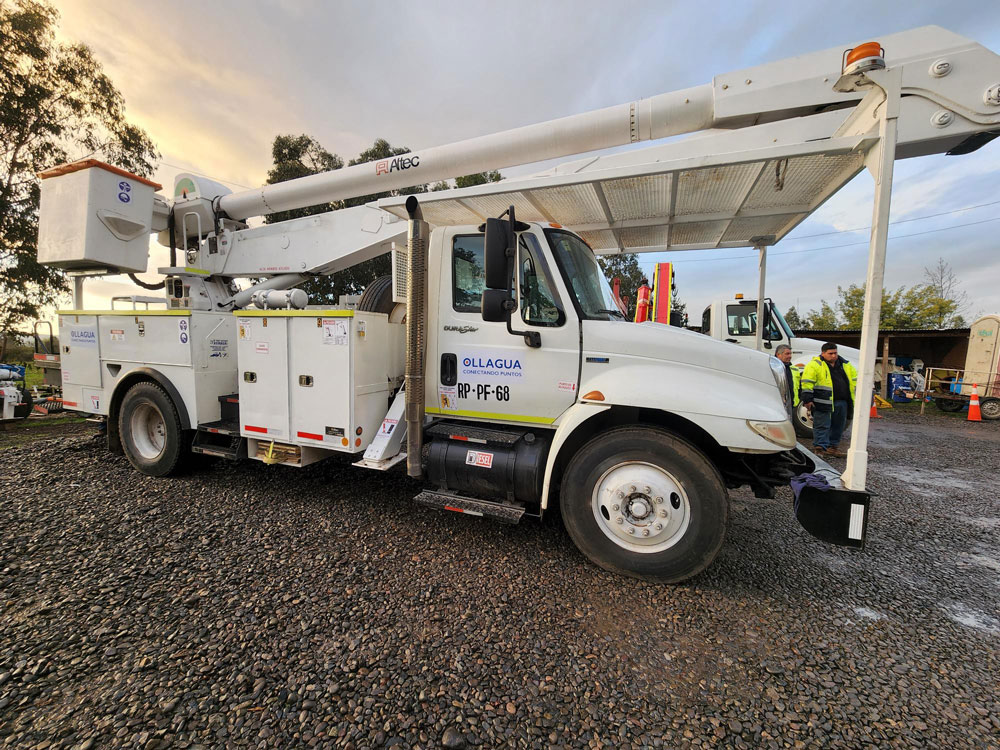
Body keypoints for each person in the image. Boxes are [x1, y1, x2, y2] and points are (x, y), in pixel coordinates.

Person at [799, 342, 857, 457]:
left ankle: (832, 447)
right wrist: (807, 399)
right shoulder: (815, 365)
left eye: (835, 353)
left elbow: (855, 381)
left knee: (838, 426)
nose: (834, 356)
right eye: (830, 353)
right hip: (822, 401)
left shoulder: (846, 365)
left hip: (842, 401)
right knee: (822, 425)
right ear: (823, 353)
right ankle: (820, 448)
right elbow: (807, 383)